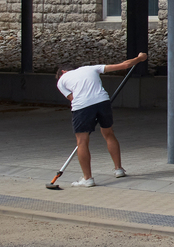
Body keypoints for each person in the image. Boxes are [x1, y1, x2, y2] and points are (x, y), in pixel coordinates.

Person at [55, 51, 145, 185]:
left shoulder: (61, 82)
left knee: (82, 142)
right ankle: (118, 169)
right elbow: (125, 65)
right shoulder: (91, 68)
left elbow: (72, 99)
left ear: (62, 72)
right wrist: (140, 58)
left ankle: (87, 179)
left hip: (82, 106)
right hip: (103, 102)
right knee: (109, 134)